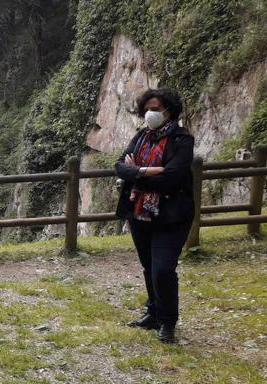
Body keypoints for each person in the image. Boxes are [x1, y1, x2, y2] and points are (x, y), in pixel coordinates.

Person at [115, 88, 194, 343]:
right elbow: (119, 166)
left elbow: (173, 177)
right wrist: (146, 171)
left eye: (157, 109)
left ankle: (168, 322)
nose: (151, 113)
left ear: (169, 111)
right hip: (140, 213)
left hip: (171, 216)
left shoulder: (182, 140)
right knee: (149, 266)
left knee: (163, 270)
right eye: (148, 108)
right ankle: (153, 312)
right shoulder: (141, 136)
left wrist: (136, 171)